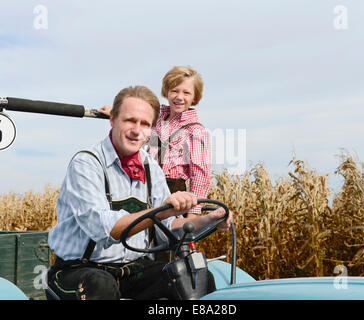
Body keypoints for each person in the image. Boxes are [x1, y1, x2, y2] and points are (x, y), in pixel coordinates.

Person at [47, 85, 232, 300]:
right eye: (130, 120)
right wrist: (162, 211)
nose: (137, 130)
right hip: (78, 270)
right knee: (100, 286)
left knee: (193, 277)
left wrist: (209, 220)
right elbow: (105, 229)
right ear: (113, 120)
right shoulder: (87, 163)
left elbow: (169, 228)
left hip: (133, 269)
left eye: (145, 124)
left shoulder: (150, 167)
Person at [100, 66, 211, 219]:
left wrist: (192, 214)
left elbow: (200, 176)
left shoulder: (196, 131)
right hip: (146, 186)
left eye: (186, 93)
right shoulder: (158, 120)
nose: (179, 97)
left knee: (167, 239)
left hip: (173, 191)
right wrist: (116, 113)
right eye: (174, 91)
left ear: (195, 98)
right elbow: (138, 126)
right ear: (166, 92)